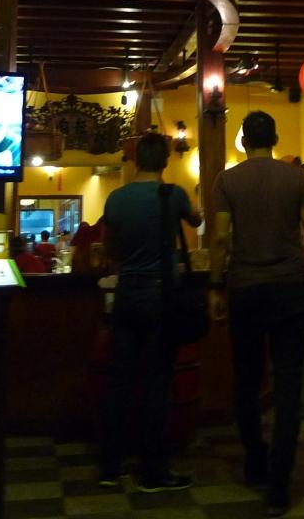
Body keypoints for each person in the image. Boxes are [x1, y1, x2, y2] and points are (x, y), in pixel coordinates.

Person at [210, 110, 304, 518]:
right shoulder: (297, 178)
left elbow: (220, 238)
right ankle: (279, 483)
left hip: (244, 288)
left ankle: (255, 461)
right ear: (275, 139)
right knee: (288, 383)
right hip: (290, 287)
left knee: (247, 380)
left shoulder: (227, 181)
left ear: (244, 141)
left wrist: (215, 286)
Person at [98, 131, 203, 492]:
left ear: (135, 160)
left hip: (126, 293)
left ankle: (111, 466)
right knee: (158, 383)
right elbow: (196, 221)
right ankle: (152, 471)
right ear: (165, 161)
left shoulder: (116, 198)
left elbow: (109, 250)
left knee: (120, 381)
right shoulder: (172, 195)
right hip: (161, 296)